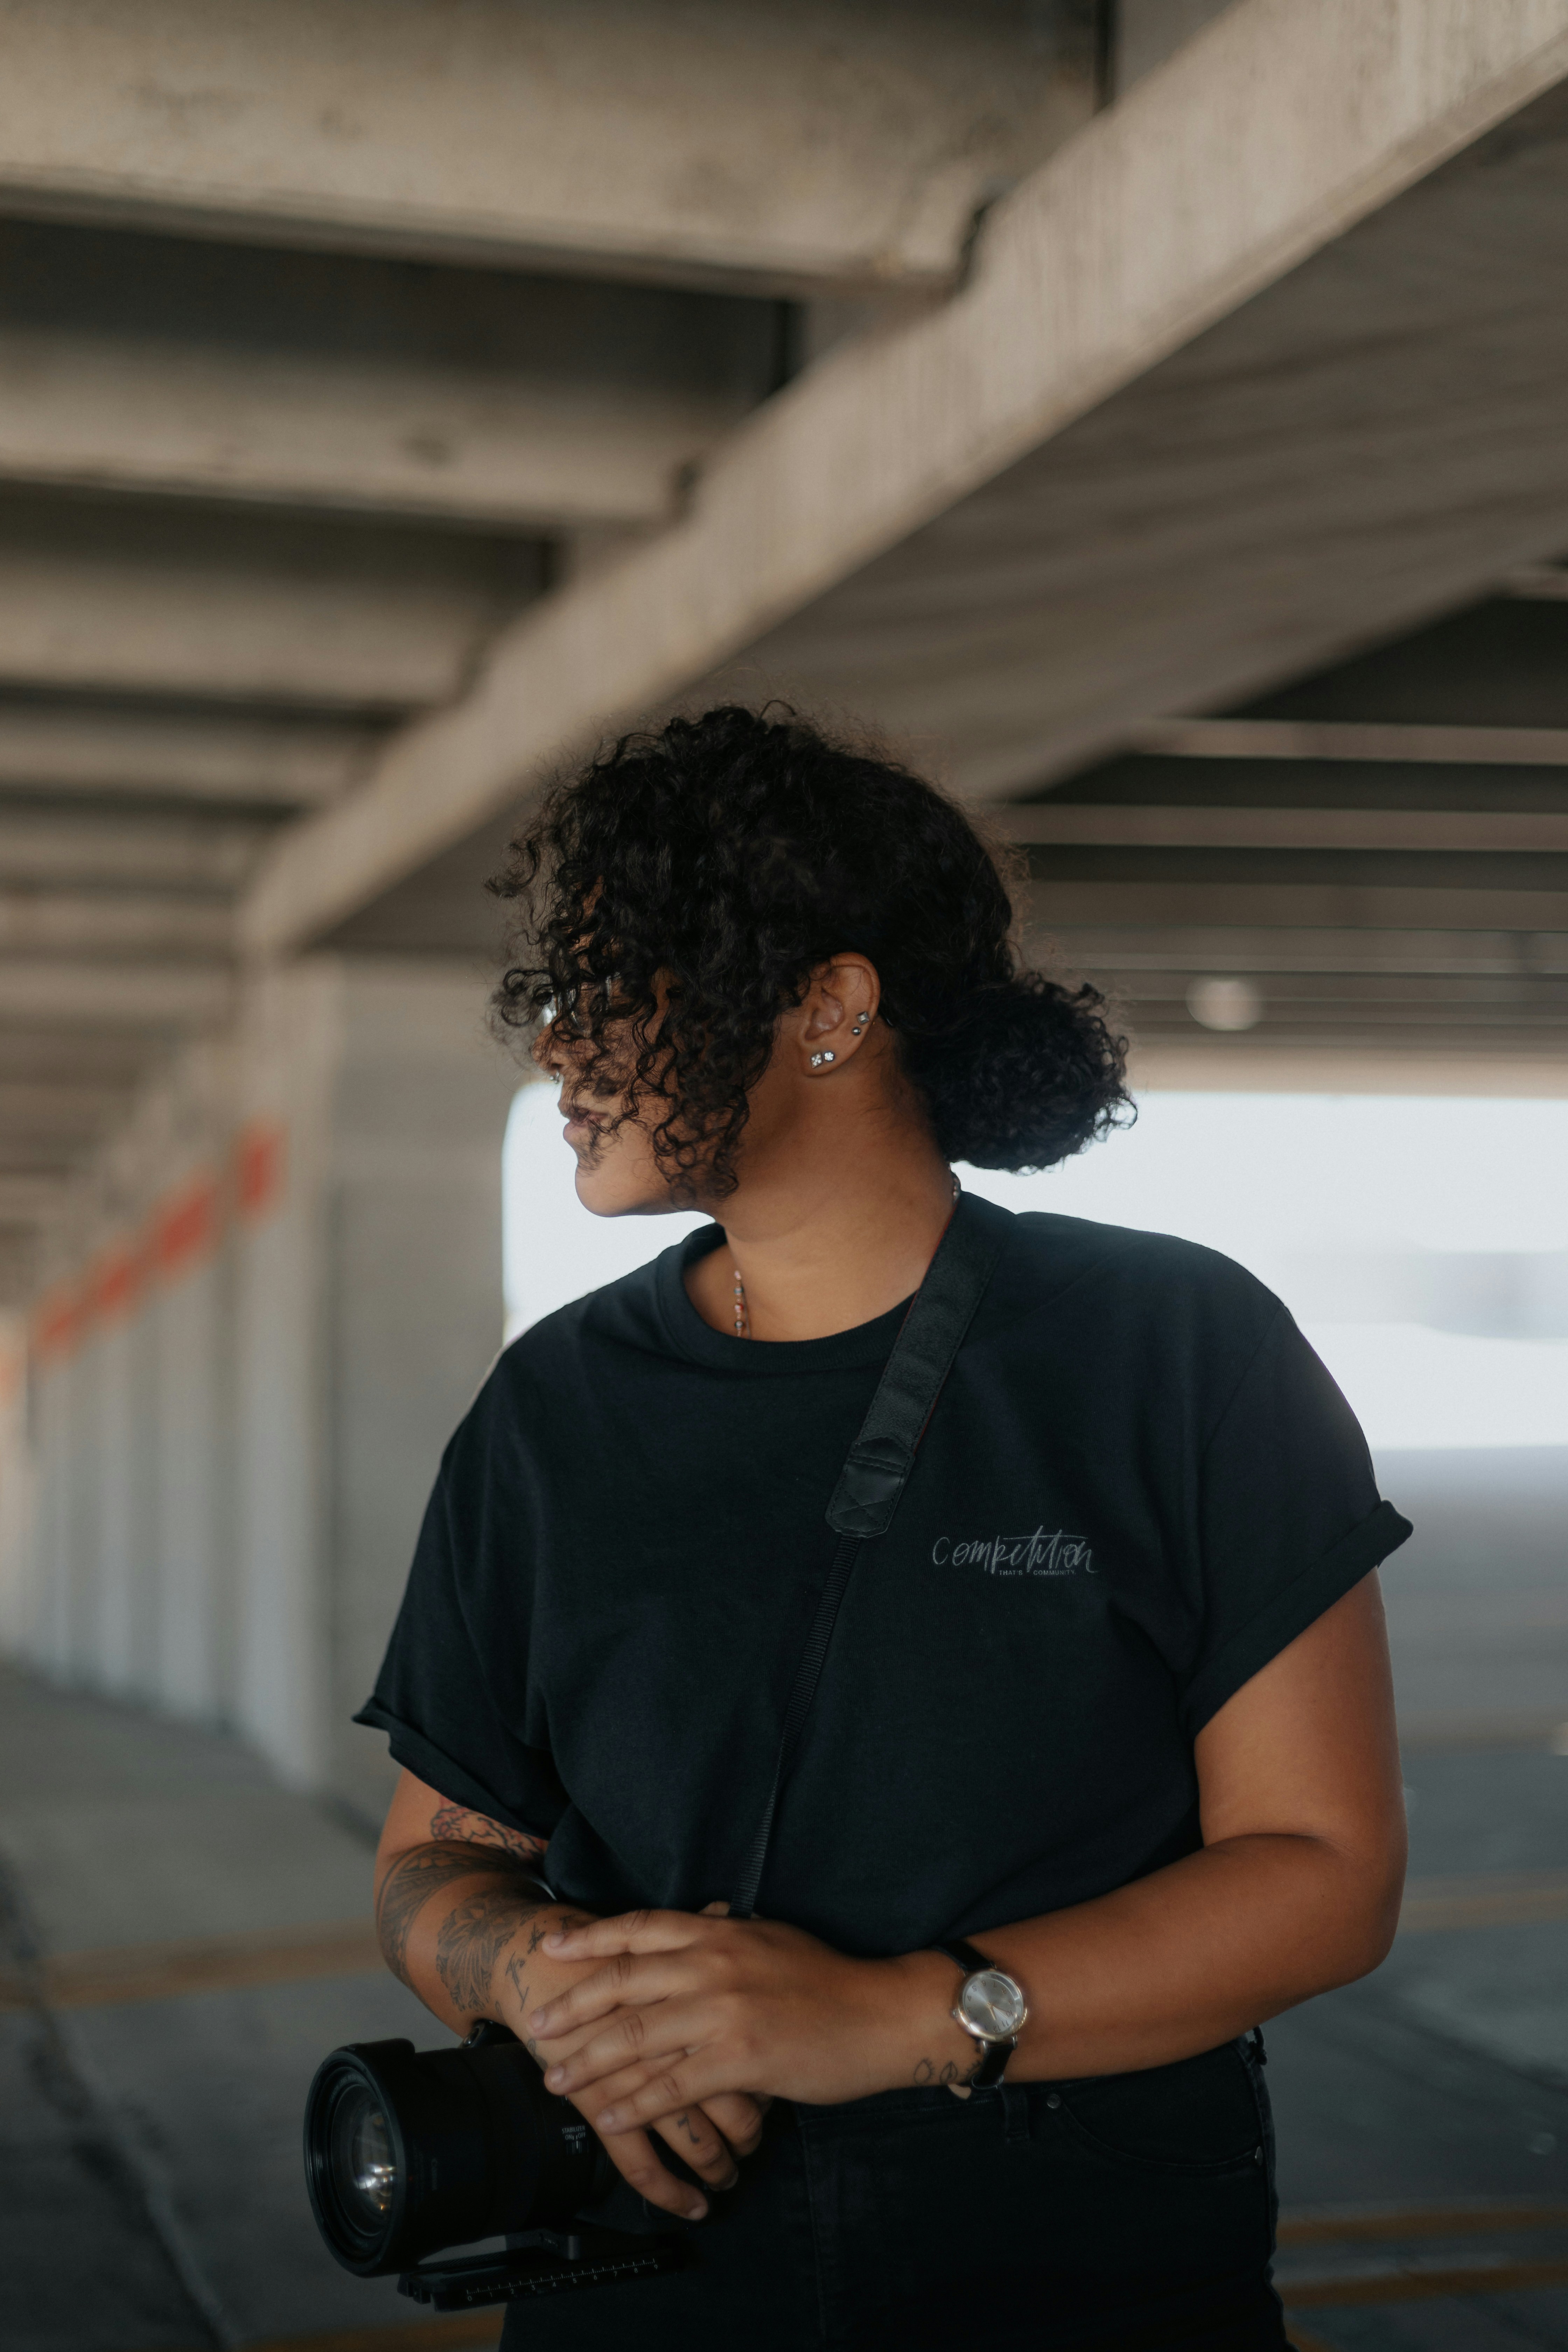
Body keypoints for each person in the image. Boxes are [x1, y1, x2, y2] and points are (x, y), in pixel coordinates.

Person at [356, 705, 1410, 2351]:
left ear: (829, 1007)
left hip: (1085, 2289)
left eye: (614, 987)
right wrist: (545, 1985)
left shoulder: (1170, 1349)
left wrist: (898, 2015)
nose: (561, 1049)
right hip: (650, 2302)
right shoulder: (553, 1407)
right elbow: (436, 1860)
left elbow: (1324, 1874)